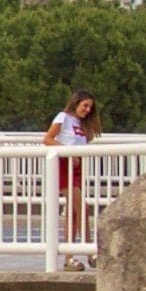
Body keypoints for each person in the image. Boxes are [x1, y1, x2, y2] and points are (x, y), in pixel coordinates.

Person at [42, 88, 98, 242]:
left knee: (73, 211)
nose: (87, 110)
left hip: (76, 168)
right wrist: (67, 152)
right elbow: (48, 139)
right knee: (82, 208)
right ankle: (89, 249)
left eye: (90, 108)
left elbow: (86, 139)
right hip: (64, 165)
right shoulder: (63, 117)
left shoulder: (80, 123)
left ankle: (69, 255)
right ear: (76, 103)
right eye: (85, 106)